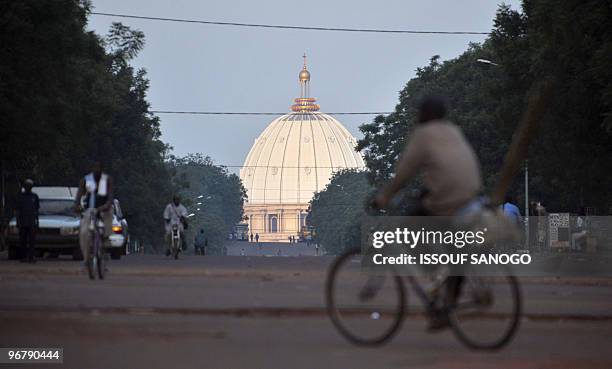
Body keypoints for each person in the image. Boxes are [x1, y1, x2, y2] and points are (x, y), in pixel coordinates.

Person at [373, 96, 482, 331]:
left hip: (448, 197)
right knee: (455, 251)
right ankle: (449, 300)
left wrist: (384, 196)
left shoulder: (424, 134)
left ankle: (435, 274)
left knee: (408, 229)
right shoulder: (454, 131)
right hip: (471, 195)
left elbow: (405, 172)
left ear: (425, 115)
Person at [74, 162, 114, 264]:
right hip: (90, 209)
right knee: (83, 232)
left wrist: (105, 206)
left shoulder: (107, 180)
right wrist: (77, 206)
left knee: (109, 217)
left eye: (99, 168)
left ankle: (106, 238)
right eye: (95, 168)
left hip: (104, 208)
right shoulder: (86, 180)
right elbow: (78, 196)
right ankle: (86, 258)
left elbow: (110, 198)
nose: (97, 171)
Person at [16, 179, 39, 263]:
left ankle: (31, 257)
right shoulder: (20, 197)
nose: (28, 187)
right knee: (23, 240)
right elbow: (18, 211)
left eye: (29, 186)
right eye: (26, 186)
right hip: (23, 222)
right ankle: (23, 257)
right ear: (24, 187)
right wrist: (18, 222)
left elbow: (36, 210)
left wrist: (37, 222)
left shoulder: (34, 196)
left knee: (32, 241)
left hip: (32, 222)